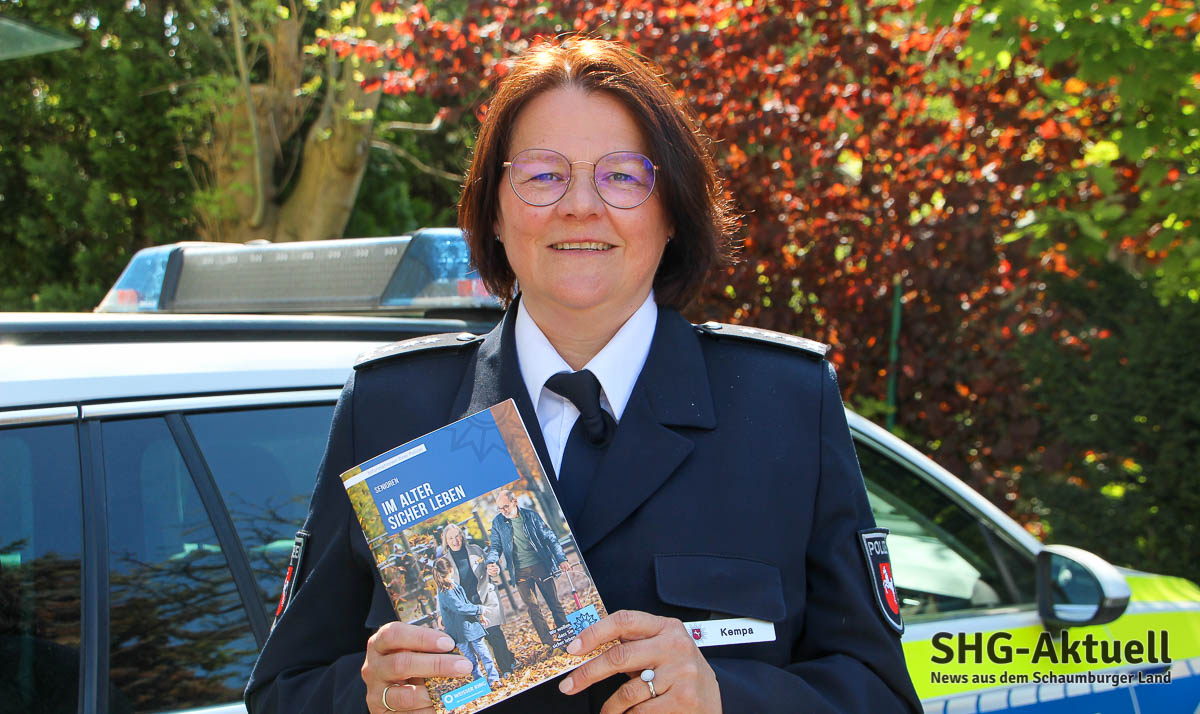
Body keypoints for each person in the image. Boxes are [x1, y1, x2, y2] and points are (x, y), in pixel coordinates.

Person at [246, 36, 921, 713]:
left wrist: (726, 698)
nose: (579, 205)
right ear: (494, 212)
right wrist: (371, 700)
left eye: (622, 176)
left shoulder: (784, 407)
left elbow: (882, 697)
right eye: (542, 175)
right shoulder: (391, 409)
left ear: (672, 212)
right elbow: (283, 693)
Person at [483, 489, 571, 650]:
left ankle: (568, 637)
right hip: (519, 572)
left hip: (540, 566)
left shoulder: (531, 516)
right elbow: (495, 546)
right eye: (500, 508)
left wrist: (561, 559)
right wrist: (491, 562)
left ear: (515, 501)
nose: (503, 511)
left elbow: (550, 538)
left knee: (554, 603)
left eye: (505, 506)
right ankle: (549, 644)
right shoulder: (498, 522)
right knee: (533, 608)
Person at [437, 522, 516, 675]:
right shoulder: (444, 562)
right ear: (446, 541)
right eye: (451, 538)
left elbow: (491, 567)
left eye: (457, 536)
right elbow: (441, 587)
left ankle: (506, 668)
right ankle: (509, 659)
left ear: (462, 536)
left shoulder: (476, 550)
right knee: (481, 639)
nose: (455, 541)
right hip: (466, 606)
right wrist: (440, 613)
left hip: (485, 597)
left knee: (494, 633)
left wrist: (494, 570)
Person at [431, 558, 501, 688]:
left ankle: (493, 679)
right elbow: (460, 607)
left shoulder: (452, 585)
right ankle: (483, 682)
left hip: (466, 627)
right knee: (475, 657)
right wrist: (479, 609)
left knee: (479, 655)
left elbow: (465, 603)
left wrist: (478, 615)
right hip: (461, 630)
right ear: (450, 570)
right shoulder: (445, 591)